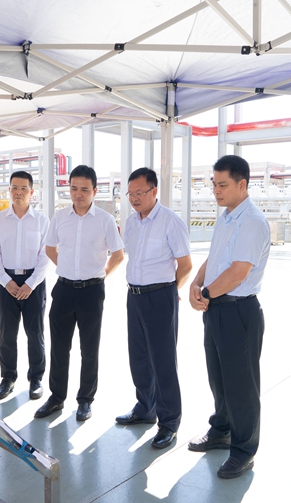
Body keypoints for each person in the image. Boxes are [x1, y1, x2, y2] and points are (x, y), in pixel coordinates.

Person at [188, 154, 270, 479]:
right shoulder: (226, 218)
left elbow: (238, 272)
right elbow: (214, 258)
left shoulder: (252, 221)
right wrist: (196, 284)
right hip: (216, 308)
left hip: (238, 310)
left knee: (241, 386)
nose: (216, 191)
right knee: (219, 379)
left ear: (242, 184)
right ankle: (221, 430)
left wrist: (206, 294)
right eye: (214, 184)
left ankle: (244, 451)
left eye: (222, 185)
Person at [34, 165, 124, 422]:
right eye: (74, 188)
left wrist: (102, 275)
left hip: (91, 292)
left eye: (84, 189)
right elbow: (50, 248)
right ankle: (56, 397)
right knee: (59, 348)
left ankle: (85, 400)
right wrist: (65, 267)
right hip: (63, 290)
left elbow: (118, 254)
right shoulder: (60, 217)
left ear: (94, 190)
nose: (78, 194)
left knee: (89, 349)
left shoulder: (105, 220)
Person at [115, 167, 192, 449]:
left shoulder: (171, 221)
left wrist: (172, 291)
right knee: (138, 357)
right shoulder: (131, 222)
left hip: (160, 296)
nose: (134, 198)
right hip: (134, 296)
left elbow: (185, 265)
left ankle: (169, 422)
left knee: (163, 362)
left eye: (140, 192)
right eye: (130, 193)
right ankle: (145, 408)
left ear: (154, 191)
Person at [0, 171, 50, 401]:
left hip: (34, 283)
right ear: (9, 190)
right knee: (7, 334)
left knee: (35, 333)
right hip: (6, 283)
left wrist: (30, 284)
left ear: (31, 192)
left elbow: (46, 255)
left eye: (23, 188)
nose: (18, 192)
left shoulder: (42, 220)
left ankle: (36, 379)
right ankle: (8, 378)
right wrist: (7, 281)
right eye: (14, 187)